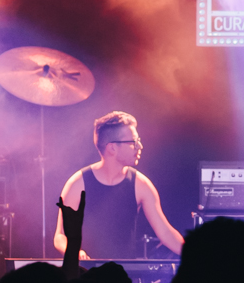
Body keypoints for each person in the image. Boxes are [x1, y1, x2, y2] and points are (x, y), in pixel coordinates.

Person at [54, 111, 184, 260]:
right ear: (112, 148)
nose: (140, 146)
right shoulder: (77, 184)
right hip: (86, 276)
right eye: (133, 142)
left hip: (125, 277)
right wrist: (74, 252)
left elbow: (166, 233)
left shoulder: (141, 185)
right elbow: (60, 236)